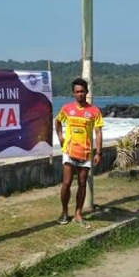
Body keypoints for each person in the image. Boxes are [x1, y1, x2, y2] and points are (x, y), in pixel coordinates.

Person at [55, 78, 104, 226]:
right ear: (73, 93)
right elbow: (57, 121)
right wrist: (60, 137)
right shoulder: (66, 108)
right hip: (69, 151)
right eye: (77, 92)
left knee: (82, 183)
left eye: (82, 91)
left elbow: (98, 133)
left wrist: (98, 152)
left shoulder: (94, 111)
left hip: (86, 153)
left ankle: (78, 213)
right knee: (66, 183)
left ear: (87, 92)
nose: (80, 94)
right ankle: (64, 212)